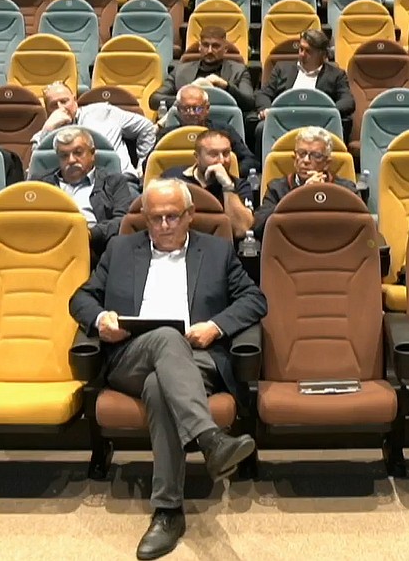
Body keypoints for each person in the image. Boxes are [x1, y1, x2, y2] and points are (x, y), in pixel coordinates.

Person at [69, 178, 264, 560]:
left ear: (190, 215)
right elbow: (81, 298)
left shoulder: (217, 251)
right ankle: (210, 440)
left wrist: (215, 326)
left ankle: (168, 511)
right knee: (165, 337)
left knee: (160, 387)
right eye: (154, 218)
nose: (163, 226)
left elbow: (255, 299)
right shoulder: (120, 249)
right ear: (144, 218)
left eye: (172, 217)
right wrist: (101, 319)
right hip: (130, 356)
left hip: (197, 358)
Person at [35, 126, 133, 267]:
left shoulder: (114, 182)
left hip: (96, 252)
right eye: (64, 155)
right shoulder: (40, 184)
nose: (71, 160)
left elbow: (123, 220)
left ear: (92, 154)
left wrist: (88, 234)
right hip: (48, 251)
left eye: (78, 153)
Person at [35, 82, 157, 186]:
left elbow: (147, 127)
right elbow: (36, 169)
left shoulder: (103, 112)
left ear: (75, 100)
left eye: (64, 101)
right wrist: (48, 129)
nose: (61, 108)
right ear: (47, 110)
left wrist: (142, 166)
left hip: (120, 182)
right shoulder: (43, 135)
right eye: (53, 105)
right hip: (71, 188)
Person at [253, 29, 354, 150]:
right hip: (284, 122)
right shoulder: (282, 69)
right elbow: (263, 94)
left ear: (322, 55)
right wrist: (266, 109)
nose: (302, 54)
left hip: (319, 124)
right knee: (261, 129)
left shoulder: (336, 75)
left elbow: (348, 101)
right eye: (301, 49)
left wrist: (325, 113)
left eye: (308, 51)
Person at [251, 126, 356, 239]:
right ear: (294, 158)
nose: (306, 160)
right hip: (289, 245)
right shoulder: (277, 188)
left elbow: (358, 226)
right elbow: (259, 226)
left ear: (327, 163)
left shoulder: (346, 189)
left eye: (316, 155)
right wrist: (301, 196)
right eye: (301, 153)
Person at [162, 128, 255, 236]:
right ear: (197, 157)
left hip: (223, 243)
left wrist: (227, 186)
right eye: (213, 154)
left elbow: (242, 230)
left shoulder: (239, 186)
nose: (222, 161)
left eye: (226, 153)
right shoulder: (171, 179)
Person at [154, 85, 256, 179]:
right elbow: (151, 164)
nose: (192, 113)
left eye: (197, 109)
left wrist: (229, 174)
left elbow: (250, 161)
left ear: (207, 108)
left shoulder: (224, 131)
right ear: (178, 110)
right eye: (186, 109)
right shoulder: (166, 135)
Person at [149, 26, 255, 115]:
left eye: (216, 46)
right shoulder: (181, 70)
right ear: (200, 47)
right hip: (185, 122)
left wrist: (227, 87)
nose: (209, 51)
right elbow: (154, 100)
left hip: (223, 122)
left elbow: (250, 103)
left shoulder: (239, 71)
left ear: (225, 49)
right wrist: (185, 101)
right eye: (205, 45)